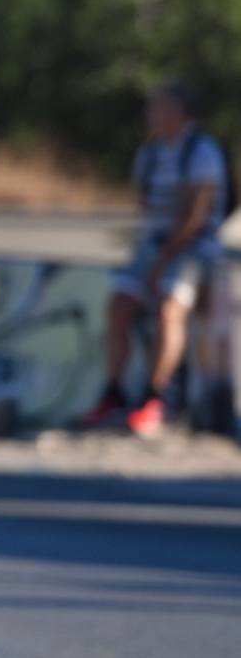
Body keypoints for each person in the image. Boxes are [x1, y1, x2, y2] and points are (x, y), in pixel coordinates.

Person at [83, 82, 230, 436]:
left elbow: (195, 216)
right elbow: (146, 204)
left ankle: (155, 396)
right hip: (152, 244)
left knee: (168, 307)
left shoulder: (201, 151)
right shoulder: (149, 153)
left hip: (192, 247)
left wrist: (163, 260)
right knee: (119, 306)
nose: (151, 114)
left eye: (158, 107)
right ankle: (114, 393)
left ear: (179, 111)